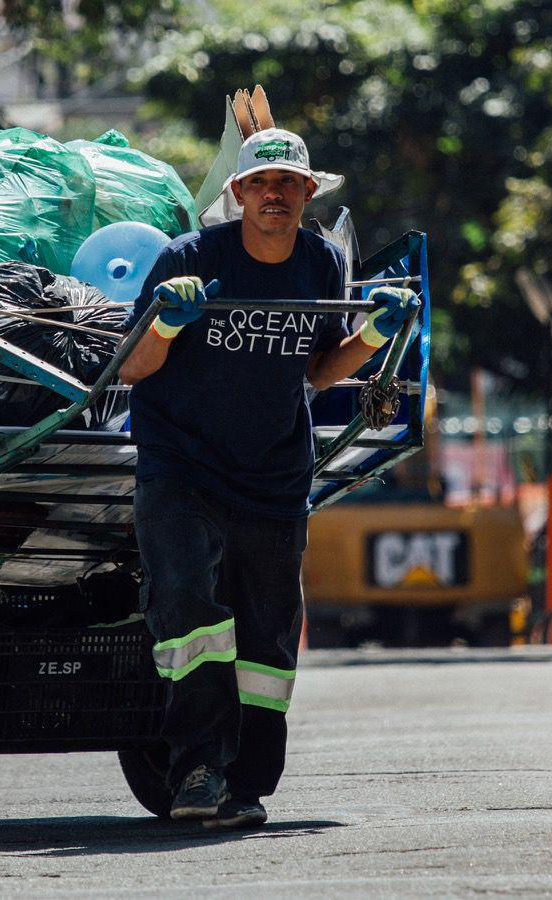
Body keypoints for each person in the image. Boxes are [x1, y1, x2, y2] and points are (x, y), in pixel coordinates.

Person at [119, 127, 416, 829]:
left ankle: (247, 782)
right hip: (183, 469)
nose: (274, 194)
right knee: (189, 611)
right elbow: (132, 369)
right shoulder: (188, 259)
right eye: (260, 183)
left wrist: (373, 337)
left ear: (308, 193)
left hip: (274, 477)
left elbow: (316, 372)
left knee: (267, 642)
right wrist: (166, 322)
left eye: (288, 183)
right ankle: (194, 769)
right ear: (239, 194)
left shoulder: (318, 263)